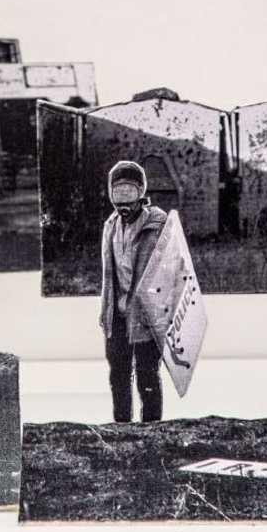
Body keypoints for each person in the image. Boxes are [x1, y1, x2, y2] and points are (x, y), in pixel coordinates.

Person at [97, 160, 168, 423]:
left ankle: (152, 431)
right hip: (116, 315)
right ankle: (122, 430)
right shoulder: (110, 225)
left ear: (141, 193)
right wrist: (105, 312)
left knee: (147, 375)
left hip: (147, 316)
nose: (123, 204)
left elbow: (173, 270)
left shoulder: (158, 224)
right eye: (118, 194)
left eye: (129, 192)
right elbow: (109, 275)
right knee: (118, 375)